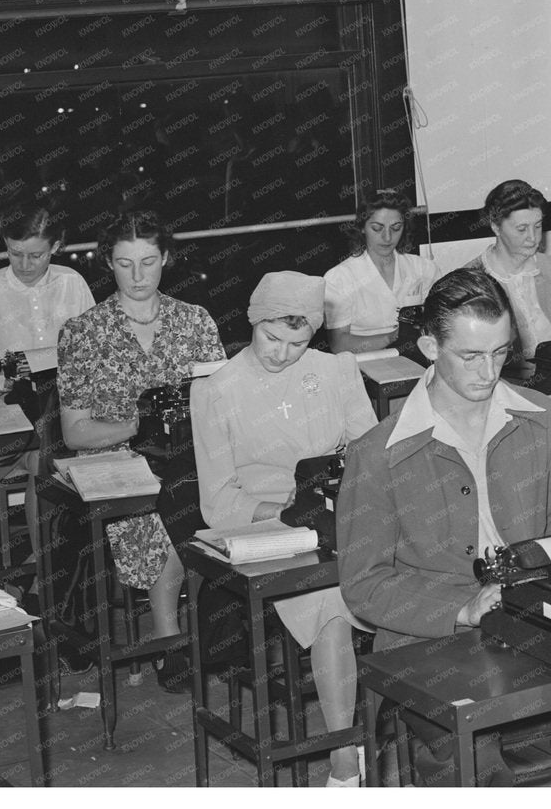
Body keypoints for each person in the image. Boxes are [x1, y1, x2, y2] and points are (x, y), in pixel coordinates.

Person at [337, 268, 551, 652]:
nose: (489, 372)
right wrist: (462, 608)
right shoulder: (377, 453)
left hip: (533, 616)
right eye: (471, 356)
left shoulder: (541, 416)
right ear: (430, 347)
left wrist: (533, 584)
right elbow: (364, 584)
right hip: (427, 642)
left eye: (500, 352)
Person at [191, 272, 376, 786]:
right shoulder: (216, 390)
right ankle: (344, 755)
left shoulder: (336, 370)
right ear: (253, 321)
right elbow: (217, 502)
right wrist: (280, 505)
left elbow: (370, 453)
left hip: (340, 513)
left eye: (297, 343)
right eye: (271, 338)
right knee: (331, 604)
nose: (282, 354)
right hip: (270, 527)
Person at [56, 210, 223, 692]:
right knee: (166, 511)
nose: (137, 276)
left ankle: (222, 630)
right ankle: (170, 638)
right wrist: (137, 424)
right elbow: (75, 433)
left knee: (218, 493)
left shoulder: (194, 320)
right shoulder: (83, 331)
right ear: (108, 263)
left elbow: (225, 405)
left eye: (148, 262)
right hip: (118, 460)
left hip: (189, 453)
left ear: (165, 258)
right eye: (125, 264)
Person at [0, 204, 94, 394]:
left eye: (36, 256)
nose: (24, 265)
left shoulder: (72, 282)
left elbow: (95, 350)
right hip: (3, 403)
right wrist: (4, 383)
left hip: (68, 401)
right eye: (15, 254)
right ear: (6, 243)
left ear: (54, 247)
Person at [323, 188, 441, 354]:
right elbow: (339, 345)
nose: (387, 237)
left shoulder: (424, 268)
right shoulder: (339, 278)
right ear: (362, 228)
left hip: (417, 355)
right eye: (377, 228)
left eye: (396, 228)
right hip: (363, 361)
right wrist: (394, 337)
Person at [469, 179, 551, 358]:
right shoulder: (473, 280)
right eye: (522, 229)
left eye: (538, 226)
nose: (533, 238)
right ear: (496, 227)